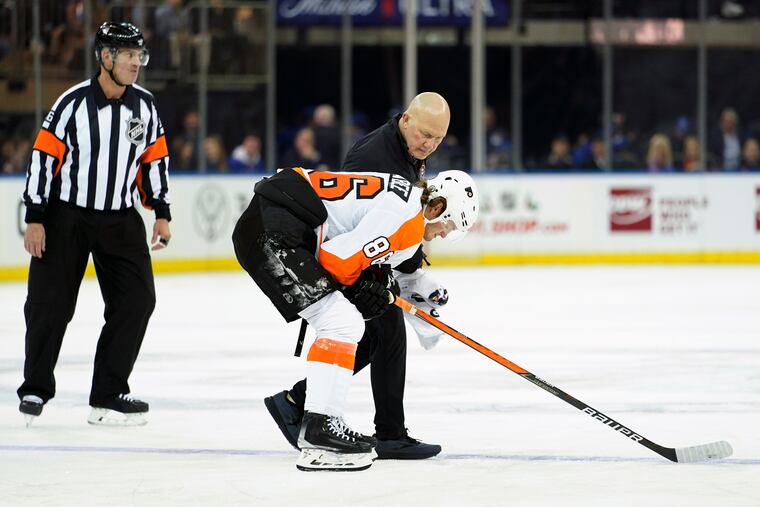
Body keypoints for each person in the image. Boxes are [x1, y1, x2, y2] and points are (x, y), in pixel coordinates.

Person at [232, 167, 479, 471]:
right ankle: (319, 432)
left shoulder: (406, 205)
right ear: (437, 207)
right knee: (341, 322)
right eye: (449, 226)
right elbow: (338, 260)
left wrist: (373, 283)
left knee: (346, 321)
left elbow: (363, 255)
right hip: (274, 229)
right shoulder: (408, 220)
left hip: (276, 221)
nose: (444, 234)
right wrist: (360, 285)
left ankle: (324, 423)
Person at [264, 92, 454, 460]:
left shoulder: (407, 151)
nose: (429, 145)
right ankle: (386, 433)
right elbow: (367, 228)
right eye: (425, 134)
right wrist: (404, 270)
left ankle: (296, 403)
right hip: (338, 254)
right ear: (406, 120)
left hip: (355, 255)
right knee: (384, 331)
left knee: (377, 336)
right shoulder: (375, 156)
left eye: (438, 139)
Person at [18, 21, 171, 427]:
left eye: (140, 55)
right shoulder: (71, 104)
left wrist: (161, 211)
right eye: (128, 55)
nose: (137, 63)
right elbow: (43, 159)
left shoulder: (146, 106)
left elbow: (153, 159)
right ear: (105, 57)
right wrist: (35, 217)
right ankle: (35, 387)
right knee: (49, 304)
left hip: (120, 219)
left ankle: (108, 394)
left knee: (137, 301)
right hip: (66, 216)